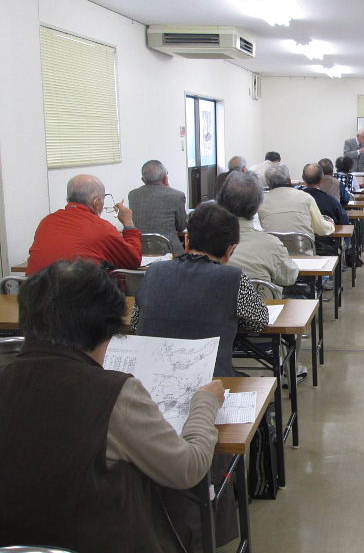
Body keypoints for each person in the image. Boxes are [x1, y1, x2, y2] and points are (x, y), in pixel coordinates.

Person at [0, 259, 223, 552]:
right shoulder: (115, 393)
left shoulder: (7, 379)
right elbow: (187, 469)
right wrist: (206, 402)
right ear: (108, 327)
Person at [133, 202, 269, 378]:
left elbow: (136, 322)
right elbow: (259, 321)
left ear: (187, 240)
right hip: (208, 379)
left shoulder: (154, 271)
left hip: (149, 376)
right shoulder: (233, 278)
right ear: (231, 249)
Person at [26, 174, 142, 275]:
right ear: (97, 202)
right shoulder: (102, 228)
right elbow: (133, 261)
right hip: (76, 292)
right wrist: (128, 222)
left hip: (34, 291)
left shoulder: (47, 222)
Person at [217, 171, 299, 296]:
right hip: (264, 306)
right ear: (257, 208)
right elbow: (289, 277)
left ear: (221, 203)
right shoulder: (271, 244)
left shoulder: (205, 244)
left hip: (215, 307)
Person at [258, 163, 335, 238]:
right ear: (289, 181)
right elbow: (322, 229)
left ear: (268, 184)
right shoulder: (306, 198)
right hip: (302, 246)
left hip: (273, 246)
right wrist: (330, 224)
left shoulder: (260, 202)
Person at [128, 159, 187, 254]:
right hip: (170, 251)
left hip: (142, 250)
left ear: (143, 180)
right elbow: (181, 226)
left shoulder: (132, 195)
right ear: (165, 178)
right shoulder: (177, 195)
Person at [301, 163, 351, 257]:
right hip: (326, 248)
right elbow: (344, 220)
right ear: (321, 179)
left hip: (300, 247)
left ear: (303, 178)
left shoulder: (297, 200)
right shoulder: (331, 200)